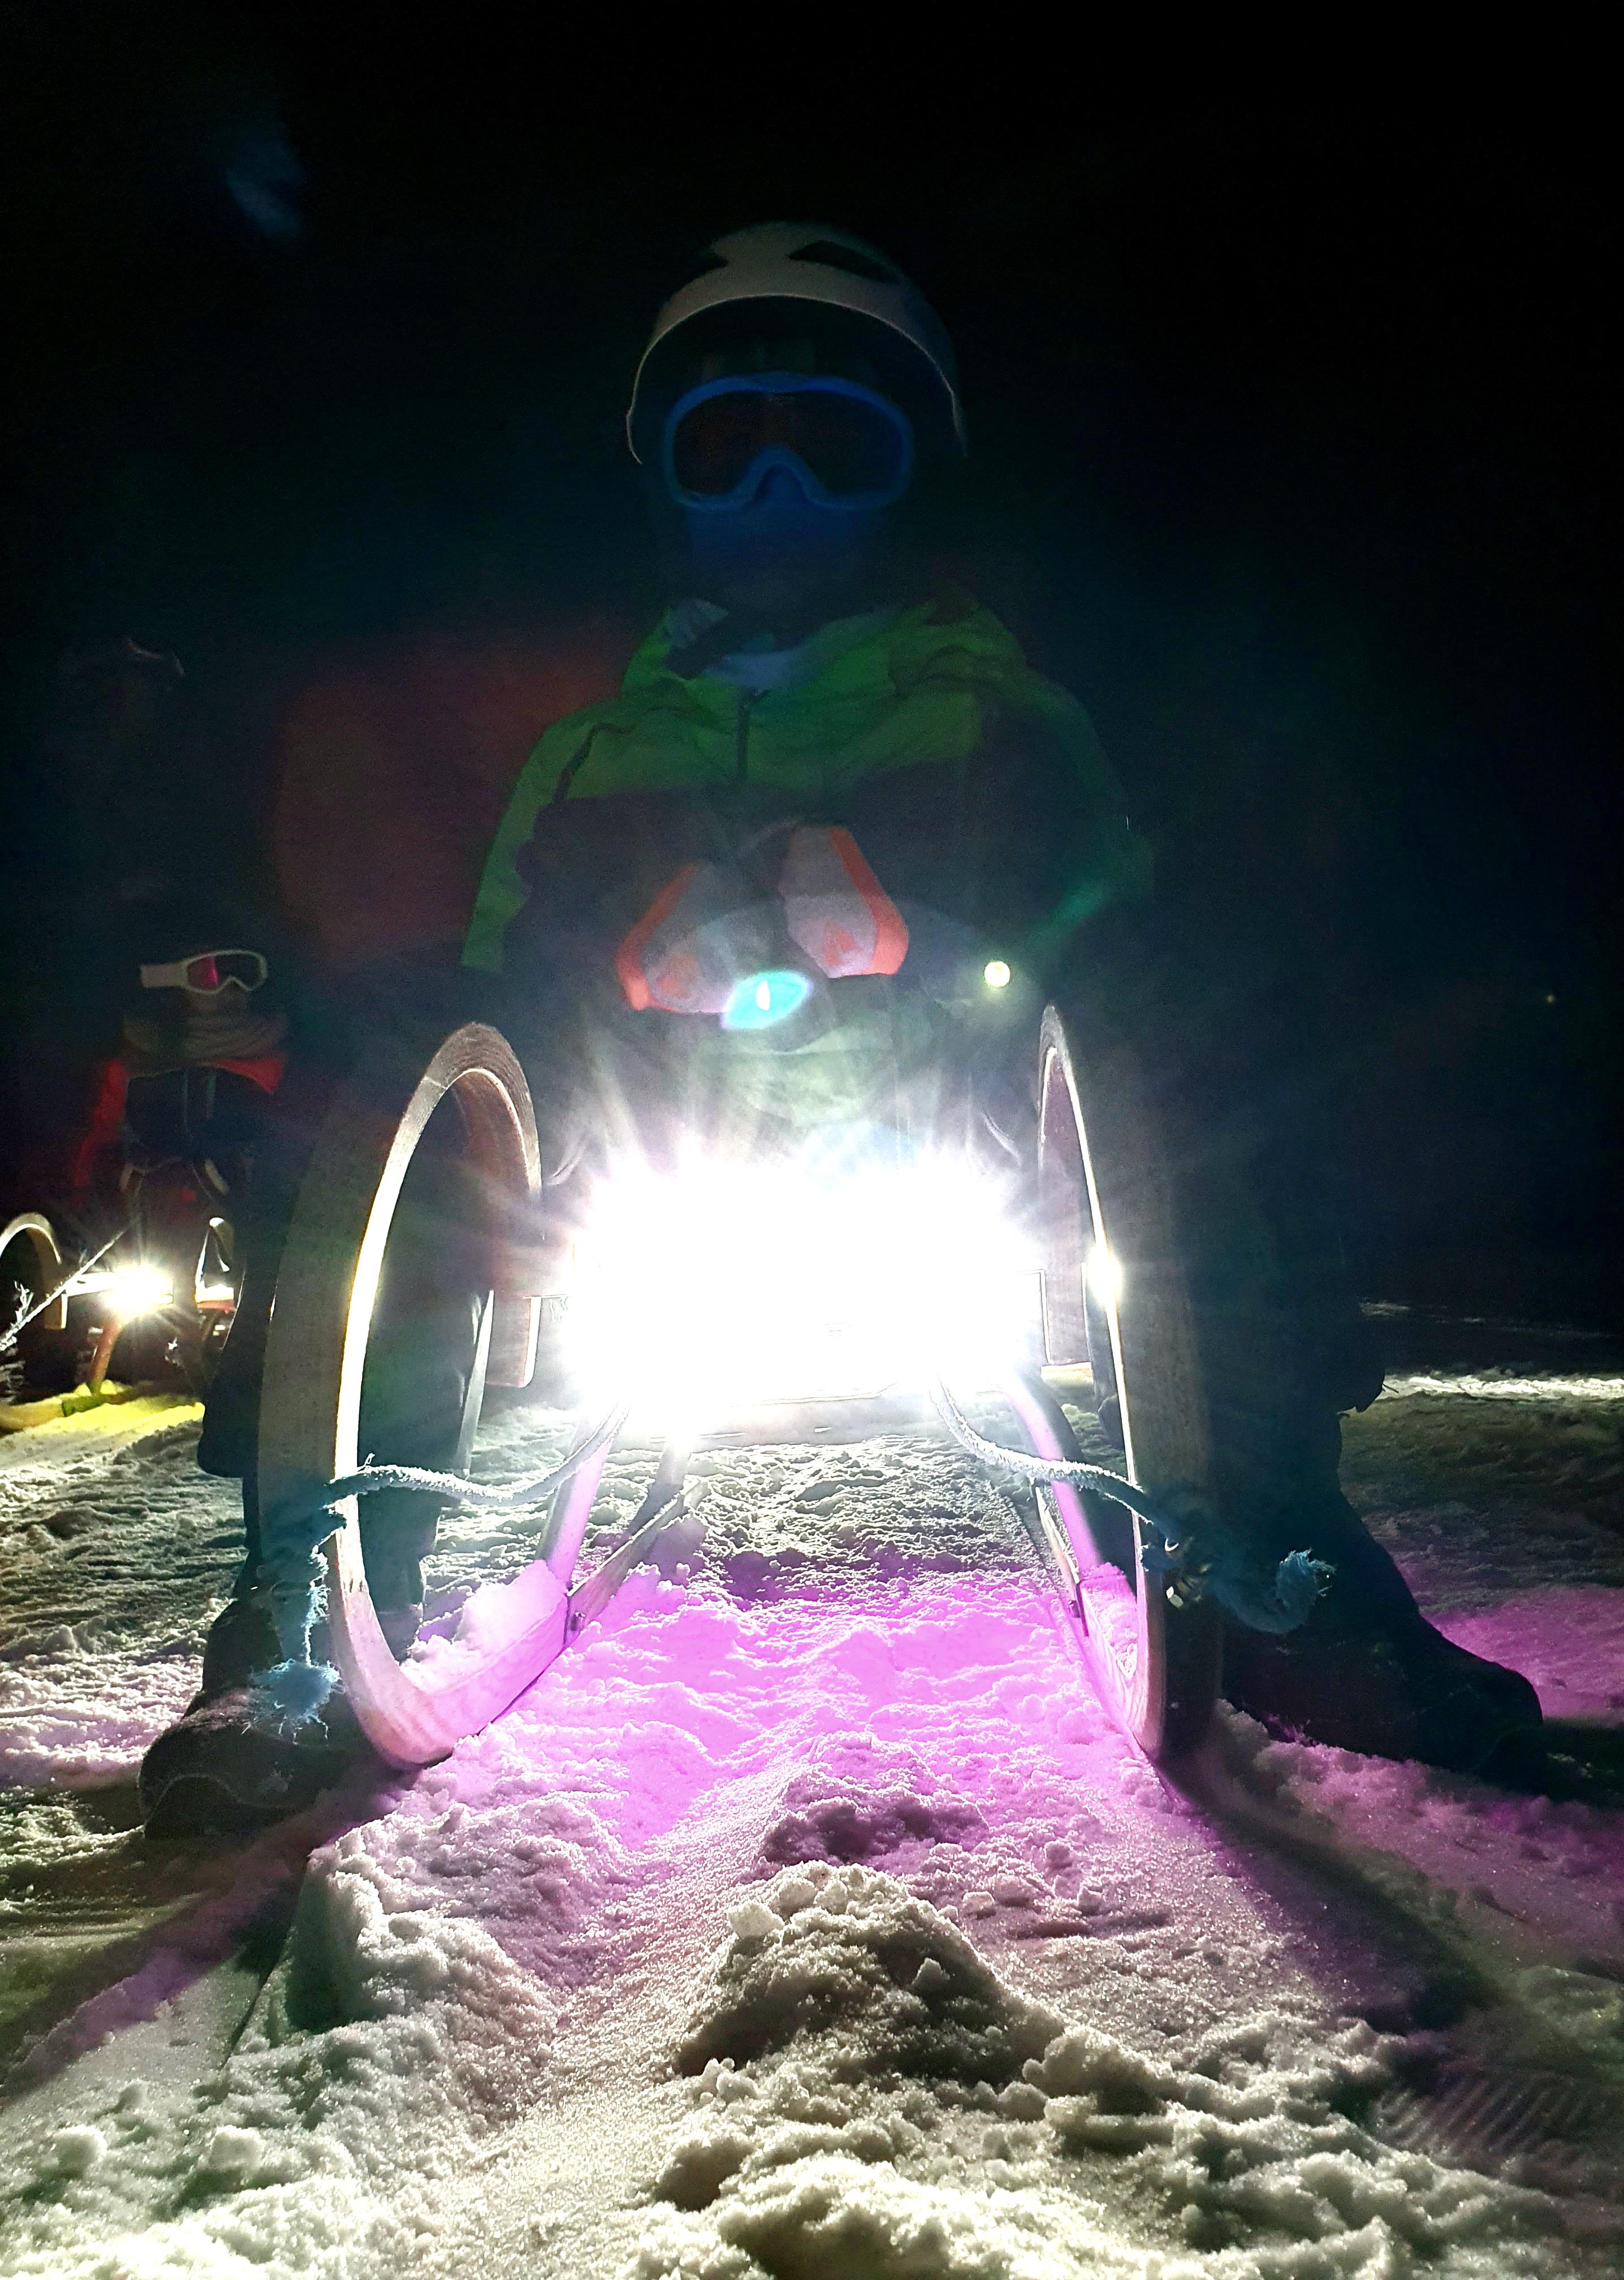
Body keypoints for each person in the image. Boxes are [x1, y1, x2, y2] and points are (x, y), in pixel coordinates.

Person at [140, 223, 1541, 1834]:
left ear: (906, 478)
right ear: (667, 481)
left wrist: (938, 946)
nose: (777, 490)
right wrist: (609, 968)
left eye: (829, 441)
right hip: (654, 1172)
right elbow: (492, 1036)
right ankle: (298, 1605)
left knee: (1225, 1025)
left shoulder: (1001, 715)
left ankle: (1290, 1565)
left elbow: (1129, 960)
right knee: (382, 1039)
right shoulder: (591, 756)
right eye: (730, 446)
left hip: (947, 1153)